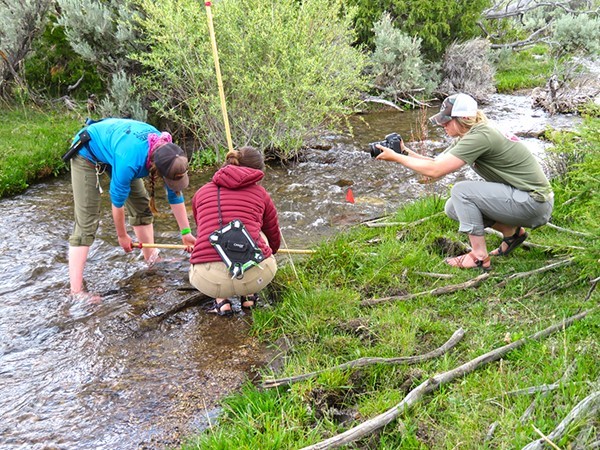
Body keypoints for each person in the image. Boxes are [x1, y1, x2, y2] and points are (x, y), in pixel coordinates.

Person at [375, 93, 554, 270]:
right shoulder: (472, 133)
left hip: (534, 202)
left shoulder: (480, 136)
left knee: (461, 190)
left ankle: (479, 257)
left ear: (464, 118)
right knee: (453, 207)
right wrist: (404, 152)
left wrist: (396, 159)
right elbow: (435, 165)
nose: (442, 124)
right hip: (527, 199)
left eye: (447, 120)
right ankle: (512, 233)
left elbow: (435, 171)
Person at [67, 118, 196, 298]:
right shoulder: (129, 162)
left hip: (117, 149)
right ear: (154, 168)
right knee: (87, 222)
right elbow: (117, 203)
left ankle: (152, 260)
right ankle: (76, 292)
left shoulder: (168, 154)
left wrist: (186, 232)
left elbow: (175, 194)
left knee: (141, 208)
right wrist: (122, 236)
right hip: (87, 152)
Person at [189, 146, 281, 315]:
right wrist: (269, 253)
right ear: (257, 172)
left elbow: (202, 230)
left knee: (211, 234)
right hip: (256, 278)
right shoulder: (260, 194)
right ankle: (248, 296)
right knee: (258, 234)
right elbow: (274, 237)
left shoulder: (201, 193)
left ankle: (221, 301)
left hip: (208, 281)